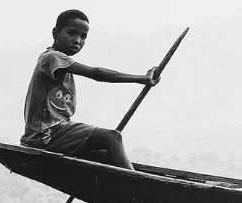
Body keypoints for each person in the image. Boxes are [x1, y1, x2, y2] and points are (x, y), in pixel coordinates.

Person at [20, 9, 161, 169]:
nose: (77, 40)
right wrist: (141, 79)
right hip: (45, 135)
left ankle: (126, 188)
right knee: (112, 137)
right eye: (71, 33)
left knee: (108, 156)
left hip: (55, 133)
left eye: (83, 36)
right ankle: (138, 186)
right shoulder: (52, 58)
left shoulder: (61, 64)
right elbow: (97, 73)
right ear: (55, 33)